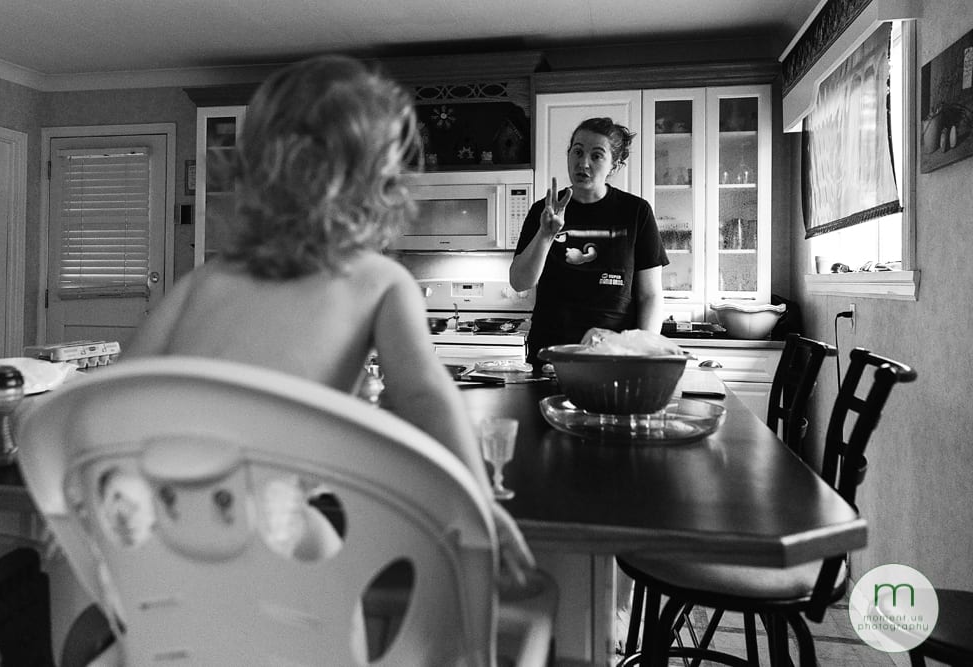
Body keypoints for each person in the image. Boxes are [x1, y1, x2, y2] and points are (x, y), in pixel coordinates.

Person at [125, 55, 534, 582]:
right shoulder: (381, 280)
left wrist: (83, 489)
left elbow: (121, 385)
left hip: (164, 521)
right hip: (274, 526)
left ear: (255, 177)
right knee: (333, 560)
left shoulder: (205, 280)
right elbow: (425, 397)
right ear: (379, 188)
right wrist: (478, 502)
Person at [509, 117, 668, 368]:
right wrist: (545, 235)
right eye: (578, 152)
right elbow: (519, 282)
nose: (583, 163)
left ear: (614, 166)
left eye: (596, 156)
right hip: (551, 355)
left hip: (614, 355)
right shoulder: (545, 211)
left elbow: (650, 295)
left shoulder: (636, 212)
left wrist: (643, 350)